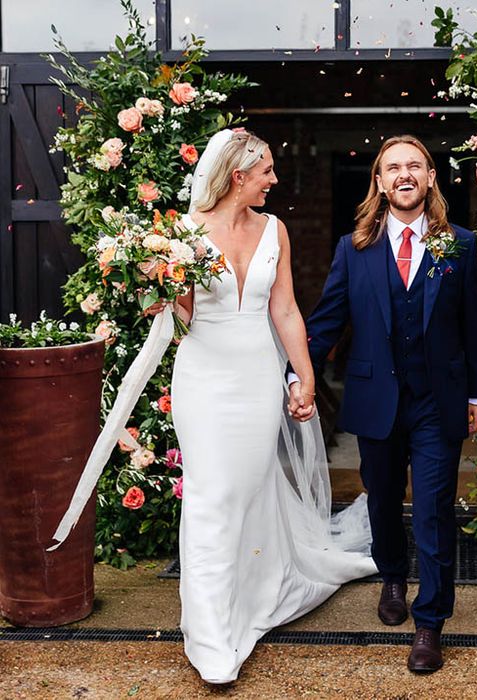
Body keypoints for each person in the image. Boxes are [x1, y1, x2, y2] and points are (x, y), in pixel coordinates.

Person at [154, 129, 376, 684]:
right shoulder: (183, 235)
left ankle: (249, 600)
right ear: (237, 176)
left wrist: (303, 376)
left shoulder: (274, 230)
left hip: (256, 377)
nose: (274, 181)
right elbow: (180, 321)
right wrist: (160, 282)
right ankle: (208, 635)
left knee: (250, 489)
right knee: (210, 495)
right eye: (266, 172)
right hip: (204, 377)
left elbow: (286, 313)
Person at [291, 135, 477, 673]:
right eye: (392, 168)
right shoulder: (353, 248)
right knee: (381, 501)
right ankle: (394, 578)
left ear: (429, 178)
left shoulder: (461, 245)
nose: (404, 175)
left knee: (432, 510)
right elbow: (328, 320)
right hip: (376, 397)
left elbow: (474, 326)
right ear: (379, 182)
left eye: (414, 166)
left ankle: (430, 623)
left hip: (437, 401)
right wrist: (298, 372)